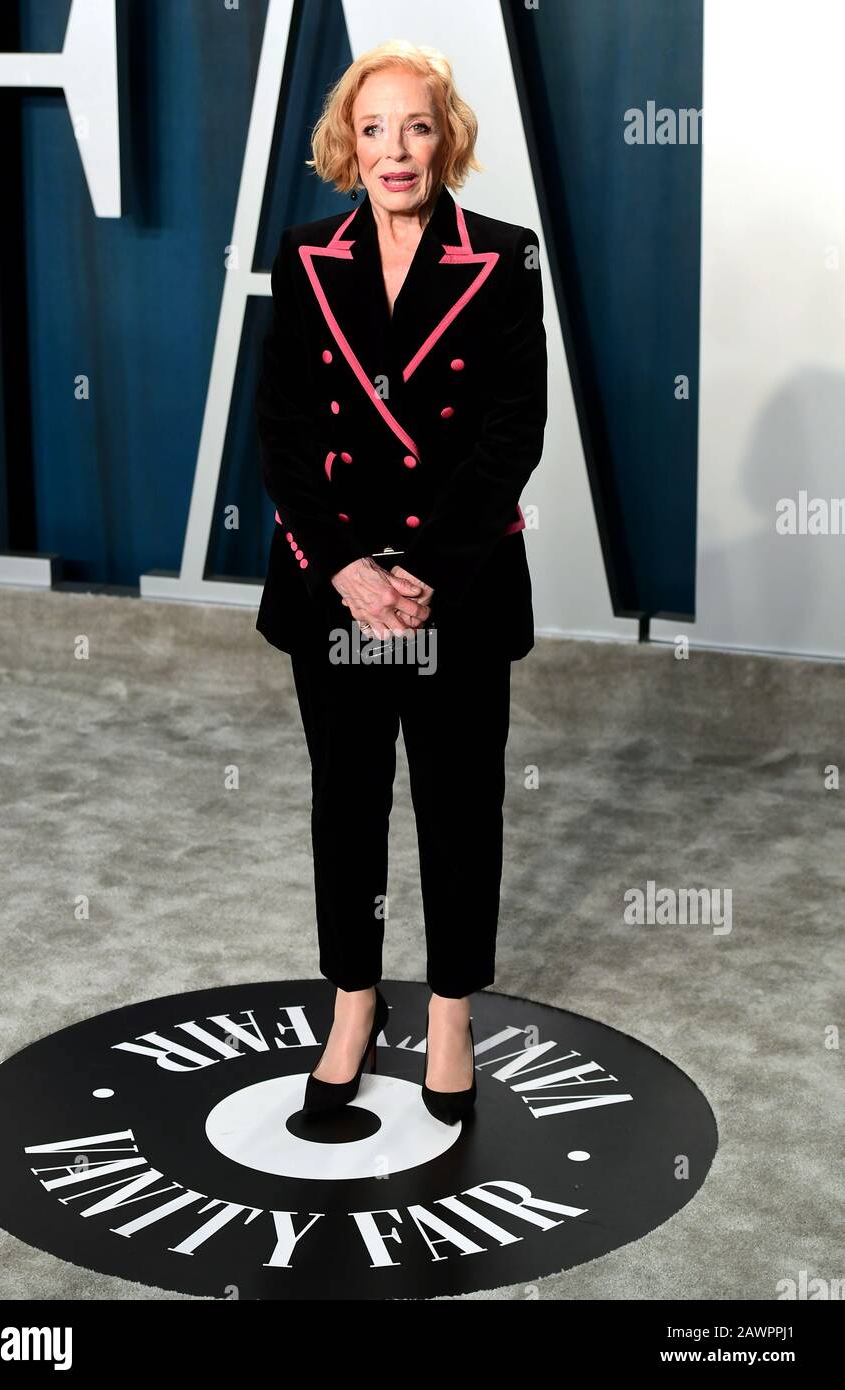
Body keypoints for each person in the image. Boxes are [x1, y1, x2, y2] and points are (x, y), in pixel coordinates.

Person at [255, 39, 547, 1125]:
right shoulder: (306, 255)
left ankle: (455, 1008)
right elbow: (282, 431)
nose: (395, 149)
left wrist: (418, 572)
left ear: (447, 137)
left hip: (454, 584)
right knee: (348, 800)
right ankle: (353, 1000)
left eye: (416, 126)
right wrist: (349, 570)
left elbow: (513, 432)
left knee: (461, 803)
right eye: (374, 128)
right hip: (334, 581)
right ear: (348, 142)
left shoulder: (506, 257)